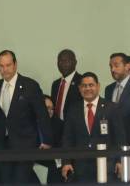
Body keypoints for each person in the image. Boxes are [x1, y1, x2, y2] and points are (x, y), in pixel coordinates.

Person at [0, 49, 52, 184]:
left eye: (8, 65)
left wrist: (46, 140)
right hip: (2, 147)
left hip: (25, 146)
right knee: (6, 182)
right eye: (1, 66)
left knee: (20, 181)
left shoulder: (30, 85)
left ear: (15, 65)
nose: (5, 69)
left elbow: (42, 114)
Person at [61, 72, 126, 183]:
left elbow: (119, 137)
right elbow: (68, 138)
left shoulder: (111, 108)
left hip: (107, 167)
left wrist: (120, 160)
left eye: (91, 85)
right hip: (81, 169)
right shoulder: (73, 110)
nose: (87, 88)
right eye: (84, 86)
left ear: (98, 86)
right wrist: (66, 162)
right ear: (79, 88)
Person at [49, 49, 82, 183]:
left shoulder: (81, 81)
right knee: (56, 175)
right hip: (57, 137)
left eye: (67, 60)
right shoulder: (56, 84)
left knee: (72, 176)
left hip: (75, 137)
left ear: (75, 62)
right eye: (60, 60)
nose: (63, 63)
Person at [105, 53, 130, 144]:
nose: (112, 69)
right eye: (110, 66)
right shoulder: (109, 89)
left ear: (127, 66)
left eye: (116, 65)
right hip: (114, 143)